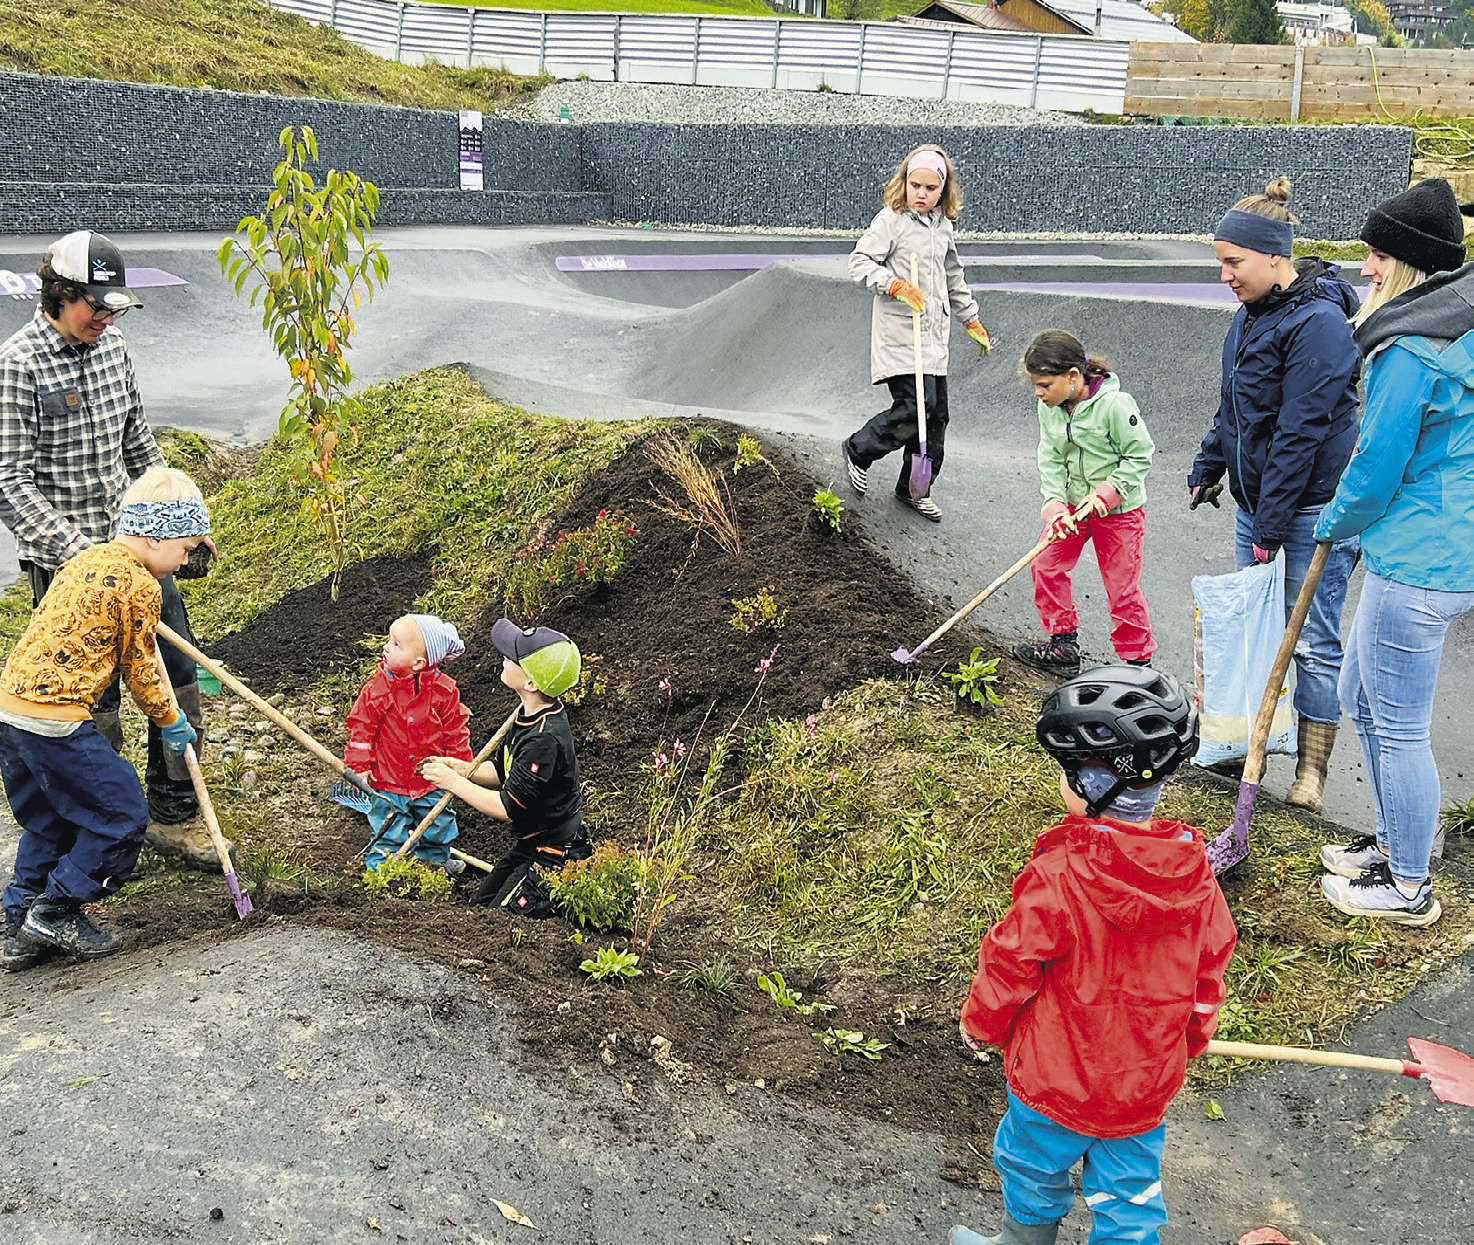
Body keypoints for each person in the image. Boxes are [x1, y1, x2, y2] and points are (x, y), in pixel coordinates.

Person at [951, 665, 1236, 1245]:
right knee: (1128, 1196)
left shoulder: (1059, 874)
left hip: (1056, 1078)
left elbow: (1011, 960)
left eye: (1066, 772)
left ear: (1092, 782)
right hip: (1141, 1087)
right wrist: (1188, 1045)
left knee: (1032, 1167)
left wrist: (982, 1024)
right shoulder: (1194, 876)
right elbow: (1209, 977)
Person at [0, 230, 221, 866]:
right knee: (92, 696)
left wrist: (181, 518)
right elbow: (9, 480)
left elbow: (138, 446)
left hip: (143, 549)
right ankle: (97, 814)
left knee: (176, 676)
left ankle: (177, 813)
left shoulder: (113, 347)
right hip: (69, 565)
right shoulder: (19, 365)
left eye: (112, 307)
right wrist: (81, 557)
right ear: (60, 295)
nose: (104, 317)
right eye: (93, 306)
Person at [1313, 178, 1471, 928]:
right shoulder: (1459, 321)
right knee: (1362, 696)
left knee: (1396, 721)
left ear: (1409, 262)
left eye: (1377, 255)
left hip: (1418, 557)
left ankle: (1409, 885)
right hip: (1439, 546)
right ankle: (1392, 842)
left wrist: (1330, 522)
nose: (1367, 268)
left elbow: (1374, 469)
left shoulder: (1412, 346)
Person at [1185, 178, 1364, 813]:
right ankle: (1247, 746)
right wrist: (1210, 462)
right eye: (1221, 264)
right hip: (1260, 508)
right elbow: (1235, 405)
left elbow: (1299, 434)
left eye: (1234, 263)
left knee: (1310, 638)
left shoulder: (1319, 324)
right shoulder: (1249, 314)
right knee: (1257, 632)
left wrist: (1270, 524)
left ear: (1273, 256)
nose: (1226, 276)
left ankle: (1311, 774)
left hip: (1310, 510)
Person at [0, 467, 208, 971]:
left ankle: (18, 918)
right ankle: (59, 908)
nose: (183, 563)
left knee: (50, 819)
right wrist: (170, 718)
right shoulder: (139, 583)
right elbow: (141, 667)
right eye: (184, 550)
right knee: (120, 817)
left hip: (10, 710)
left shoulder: (83, 560)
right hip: (58, 720)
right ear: (157, 537)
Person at [841, 144, 991, 523]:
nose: (921, 194)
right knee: (914, 409)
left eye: (930, 188)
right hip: (901, 335)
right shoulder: (891, 220)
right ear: (904, 182)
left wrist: (970, 318)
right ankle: (859, 449)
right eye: (915, 185)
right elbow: (859, 263)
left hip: (934, 339)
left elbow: (953, 276)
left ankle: (915, 488)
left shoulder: (943, 226)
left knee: (937, 416)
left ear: (943, 190)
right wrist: (893, 284)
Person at [420, 619, 590, 917]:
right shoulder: (526, 714)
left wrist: (453, 783)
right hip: (530, 844)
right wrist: (462, 769)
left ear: (531, 683)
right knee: (479, 906)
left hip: (555, 852)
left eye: (512, 658)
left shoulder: (544, 738)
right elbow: (503, 772)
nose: (503, 658)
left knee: (498, 918)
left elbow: (507, 807)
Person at [1012, 330, 1156, 677]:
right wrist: (1055, 505)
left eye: (1045, 384)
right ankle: (1063, 644)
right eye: (1035, 385)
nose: (1038, 393)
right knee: (1044, 565)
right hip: (1074, 509)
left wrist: (1109, 492)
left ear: (1072, 377)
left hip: (1118, 511)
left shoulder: (1115, 405)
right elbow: (1049, 456)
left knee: (1122, 589)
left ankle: (1138, 665)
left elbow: (1139, 455)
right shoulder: (1048, 408)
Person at [345, 614, 473, 871]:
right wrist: (359, 766)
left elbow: (456, 730)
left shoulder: (443, 691)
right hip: (388, 781)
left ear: (418, 663)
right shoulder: (378, 688)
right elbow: (362, 728)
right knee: (390, 830)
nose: (386, 647)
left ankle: (434, 864)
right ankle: (380, 871)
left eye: (396, 644)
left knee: (437, 825)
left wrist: (460, 767)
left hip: (430, 779)